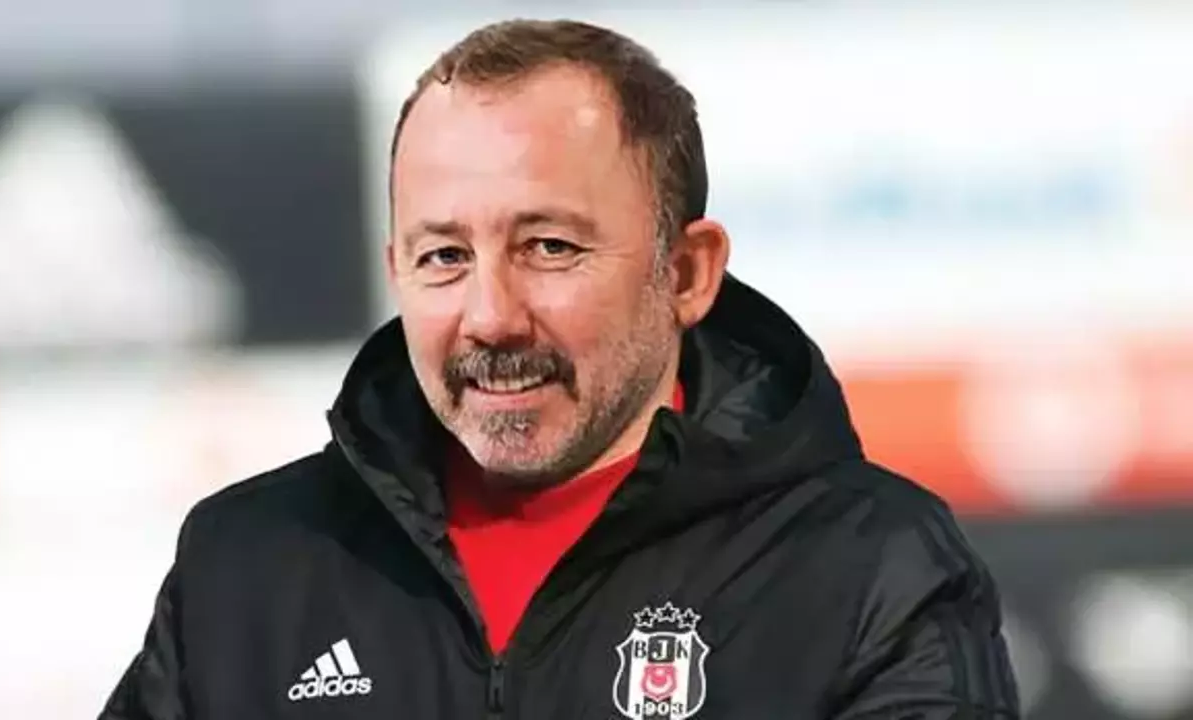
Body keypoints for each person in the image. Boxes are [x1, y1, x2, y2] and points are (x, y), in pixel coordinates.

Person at [101, 18, 1020, 720]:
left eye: (548, 247)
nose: (491, 316)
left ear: (686, 272)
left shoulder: (868, 567)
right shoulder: (246, 568)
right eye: (444, 257)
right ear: (396, 272)